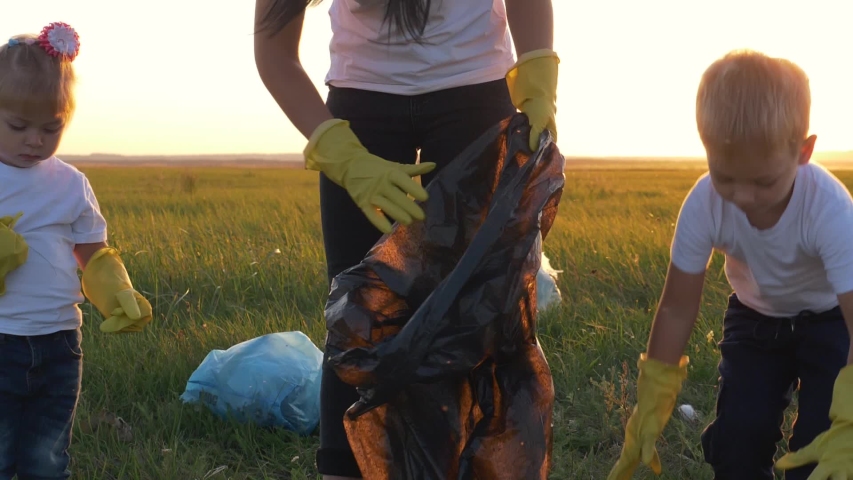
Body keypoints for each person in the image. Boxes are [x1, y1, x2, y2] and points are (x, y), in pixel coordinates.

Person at [252, 0, 558, 477]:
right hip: (361, 107)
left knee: (478, 313)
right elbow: (274, 49)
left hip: (474, 92)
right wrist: (342, 155)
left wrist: (537, 72)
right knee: (356, 313)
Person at [605, 49, 853, 480]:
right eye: (724, 175)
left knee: (820, 451)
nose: (742, 196)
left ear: (804, 151)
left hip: (831, 321)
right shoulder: (704, 205)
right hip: (754, 321)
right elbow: (677, 307)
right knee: (737, 442)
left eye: (763, 181)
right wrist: (653, 397)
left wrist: (850, 419)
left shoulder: (830, 211)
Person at [0, 22, 153, 479]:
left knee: (48, 458)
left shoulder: (70, 184)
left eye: (52, 128)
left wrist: (116, 294)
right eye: (17, 126)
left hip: (61, 341)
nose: (35, 140)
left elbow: (94, 252)